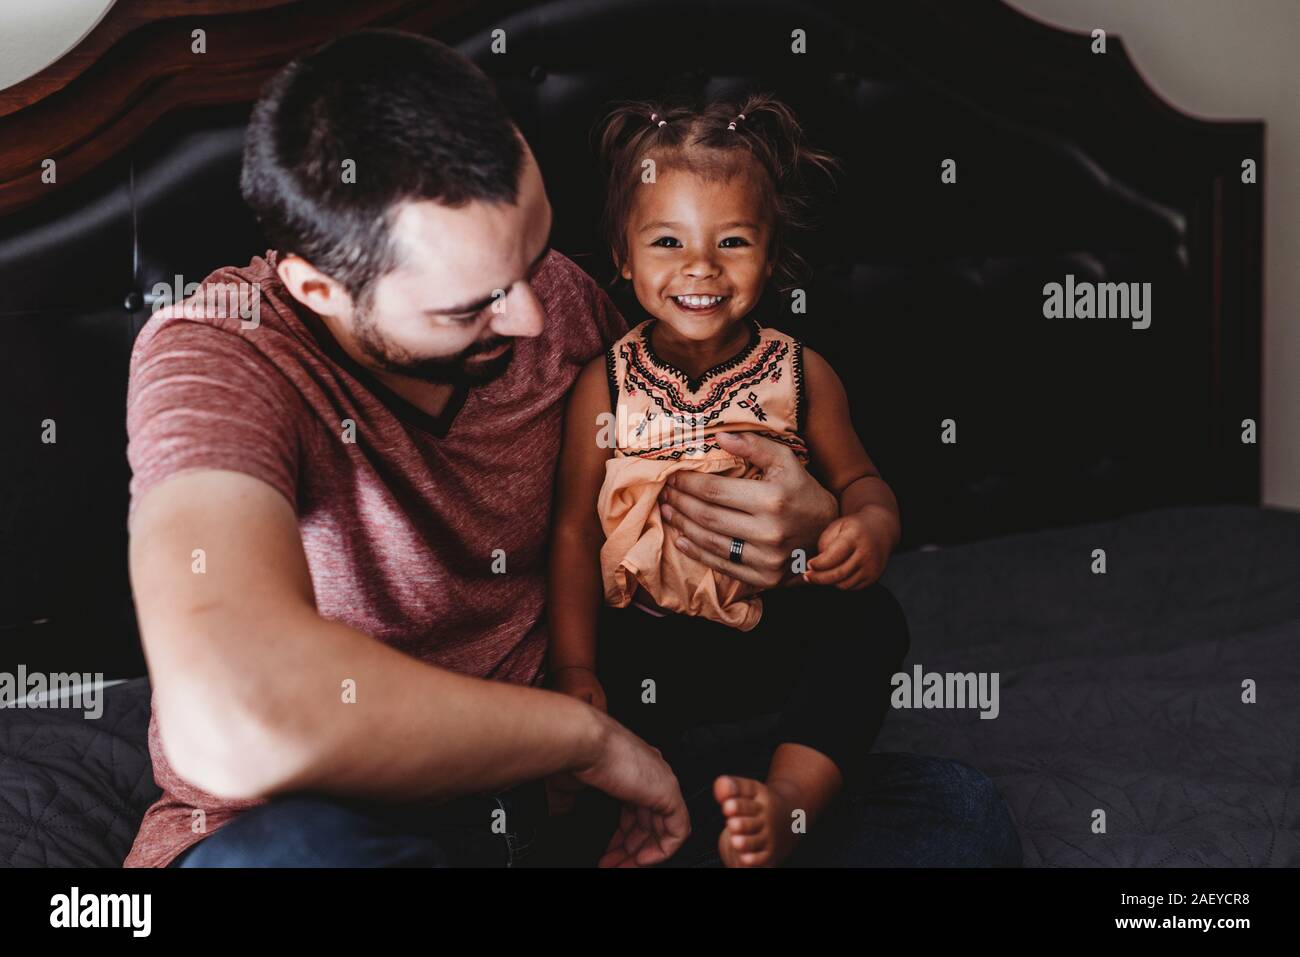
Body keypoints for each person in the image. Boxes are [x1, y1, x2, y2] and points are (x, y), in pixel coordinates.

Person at [120, 29, 1020, 868]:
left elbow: (673, 489)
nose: (537, 316)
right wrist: (582, 734)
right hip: (350, 815)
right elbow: (230, 716)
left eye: (540, 252)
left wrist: (811, 524)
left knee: (954, 817)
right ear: (318, 286)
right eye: (470, 304)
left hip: (566, 802)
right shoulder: (219, 353)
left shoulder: (556, 300)